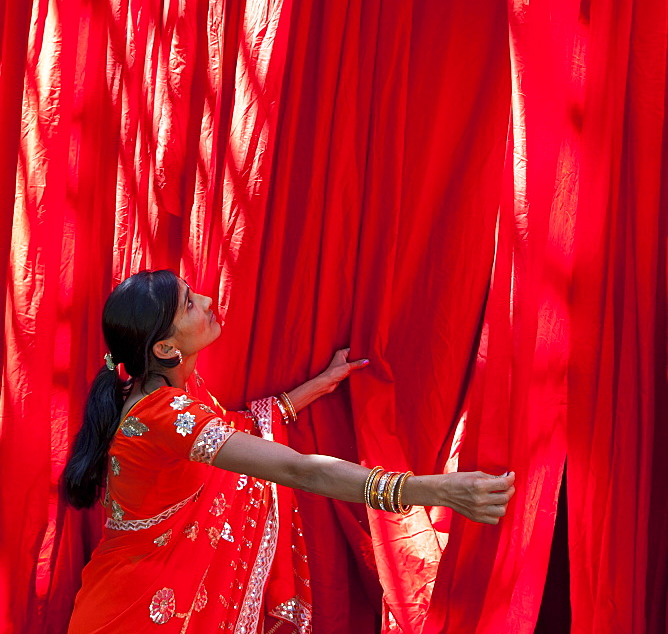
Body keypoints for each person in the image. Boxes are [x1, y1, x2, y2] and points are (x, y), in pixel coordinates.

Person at [64, 269, 515, 633]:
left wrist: (314, 388)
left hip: (140, 594)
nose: (206, 300)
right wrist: (434, 491)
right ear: (164, 347)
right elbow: (302, 472)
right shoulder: (164, 414)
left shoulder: (162, 390)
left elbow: (232, 430)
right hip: (140, 613)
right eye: (188, 303)